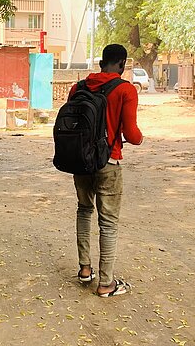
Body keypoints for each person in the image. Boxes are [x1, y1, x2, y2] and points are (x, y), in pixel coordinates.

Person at [67, 44, 143, 297]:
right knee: (108, 222)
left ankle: (85, 269)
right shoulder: (125, 89)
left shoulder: (77, 88)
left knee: (84, 210)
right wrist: (140, 138)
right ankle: (106, 283)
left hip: (80, 160)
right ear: (121, 64)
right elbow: (132, 135)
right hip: (108, 162)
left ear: (102, 62)